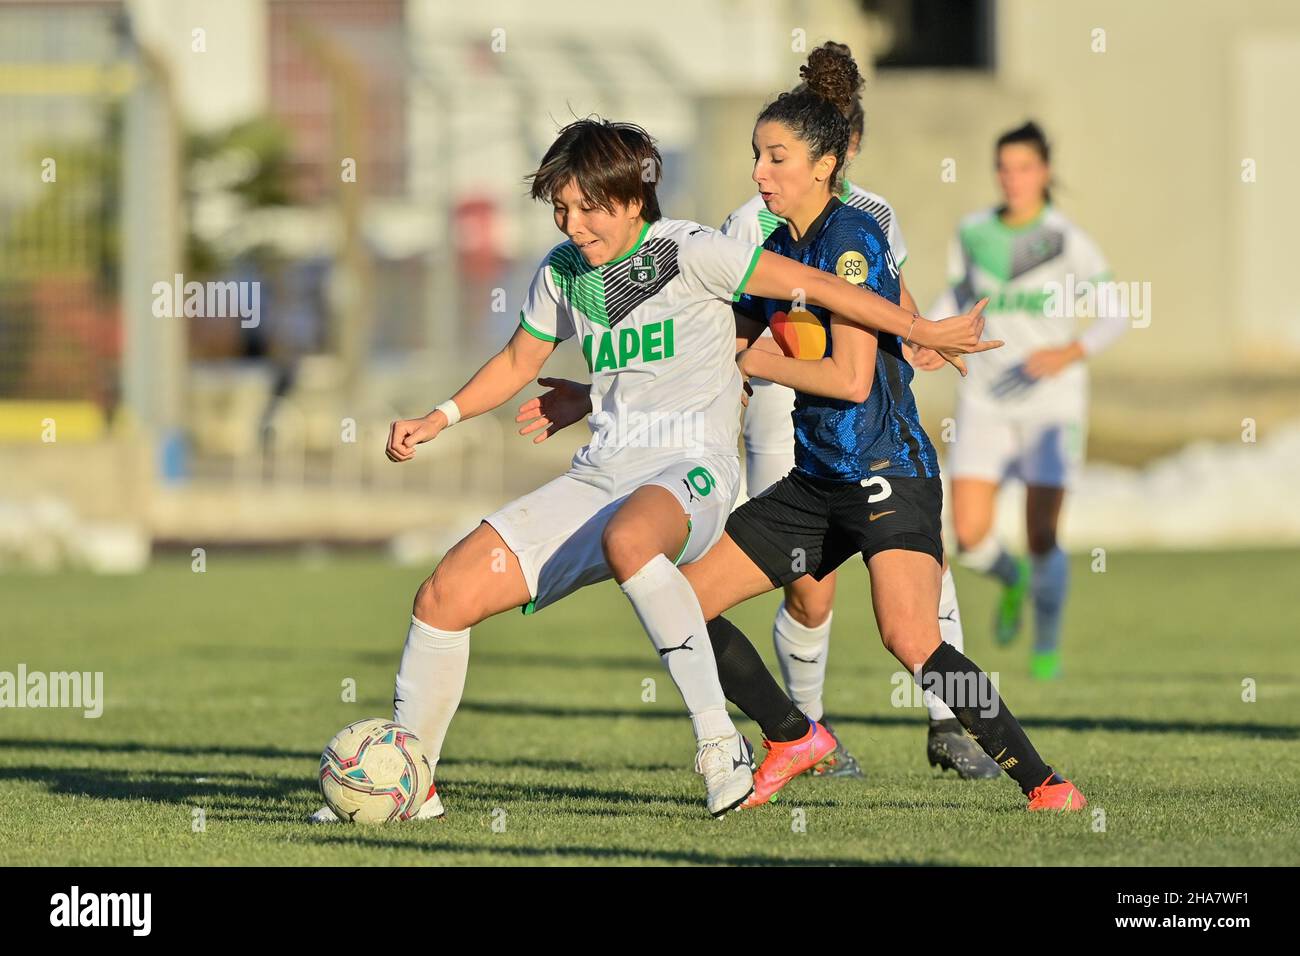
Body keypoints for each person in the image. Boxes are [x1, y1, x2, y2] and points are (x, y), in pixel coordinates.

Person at [310, 116, 994, 822]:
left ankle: (720, 745)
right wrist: (441, 417)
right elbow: (520, 361)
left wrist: (921, 331)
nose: (572, 224)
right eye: (561, 209)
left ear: (634, 199)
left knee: (636, 542)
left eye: (587, 207)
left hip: (690, 473)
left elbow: (816, 286)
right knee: (441, 596)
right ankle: (410, 782)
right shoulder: (563, 273)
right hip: (600, 476)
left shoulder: (696, 251)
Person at [527, 53, 1084, 813]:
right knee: (683, 600)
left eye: (776, 157)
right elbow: (707, 358)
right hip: (818, 482)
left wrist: (762, 356)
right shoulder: (779, 248)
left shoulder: (848, 237)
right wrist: (592, 396)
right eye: (756, 154)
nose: (760, 171)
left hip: (886, 469)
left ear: (826, 163)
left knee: (912, 638)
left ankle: (1044, 782)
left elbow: (852, 379)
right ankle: (795, 735)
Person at [717, 41, 998, 780]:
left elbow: (888, 306)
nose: (767, 171)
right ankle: (809, 734)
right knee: (810, 593)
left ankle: (954, 724)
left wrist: (924, 341)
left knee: (925, 588)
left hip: (875, 427)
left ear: (841, 151)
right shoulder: (751, 224)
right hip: (790, 421)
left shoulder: (871, 216)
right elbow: (733, 335)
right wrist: (740, 377)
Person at [932, 121, 1128, 680]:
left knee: (1043, 533)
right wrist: (928, 335)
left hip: (1052, 403)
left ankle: (1046, 643)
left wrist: (1068, 353)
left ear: (1044, 173)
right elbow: (958, 298)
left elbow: (1117, 313)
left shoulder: (1068, 240)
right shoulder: (972, 233)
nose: (1012, 178)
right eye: (1003, 167)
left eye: (1023, 167)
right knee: (967, 534)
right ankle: (1010, 578)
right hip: (986, 398)